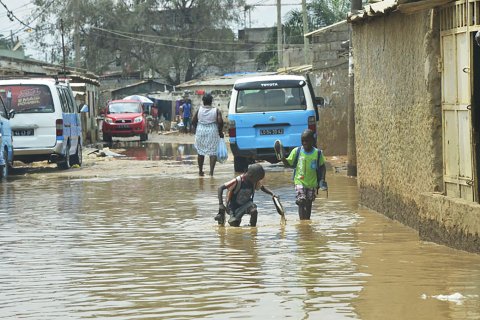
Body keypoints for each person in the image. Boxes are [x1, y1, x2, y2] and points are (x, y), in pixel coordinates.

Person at [279, 129, 328, 220]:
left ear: (313, 141)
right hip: (299, 182)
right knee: (301, 200)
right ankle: (302, 222)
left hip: (312, 183)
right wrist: (282, 158)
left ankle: (306, 221)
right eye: (303, 141)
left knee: (309, 202)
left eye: (307, 141)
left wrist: (322, 179)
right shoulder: (297, 151)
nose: (304, 143)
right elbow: (288, 164)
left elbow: (322, 167)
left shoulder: (317, 153)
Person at [192, 93, 223, 176]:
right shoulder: (216, 110)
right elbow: (220, 122)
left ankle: (200, 171)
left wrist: (196, 129)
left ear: (203, 101)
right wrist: (220, 132)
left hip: (200, 130)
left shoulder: (199, 110)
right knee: (213, 152)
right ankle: (211, 172)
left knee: (200, 152)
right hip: (212, 131)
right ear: (211, 101)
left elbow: (193, 121)